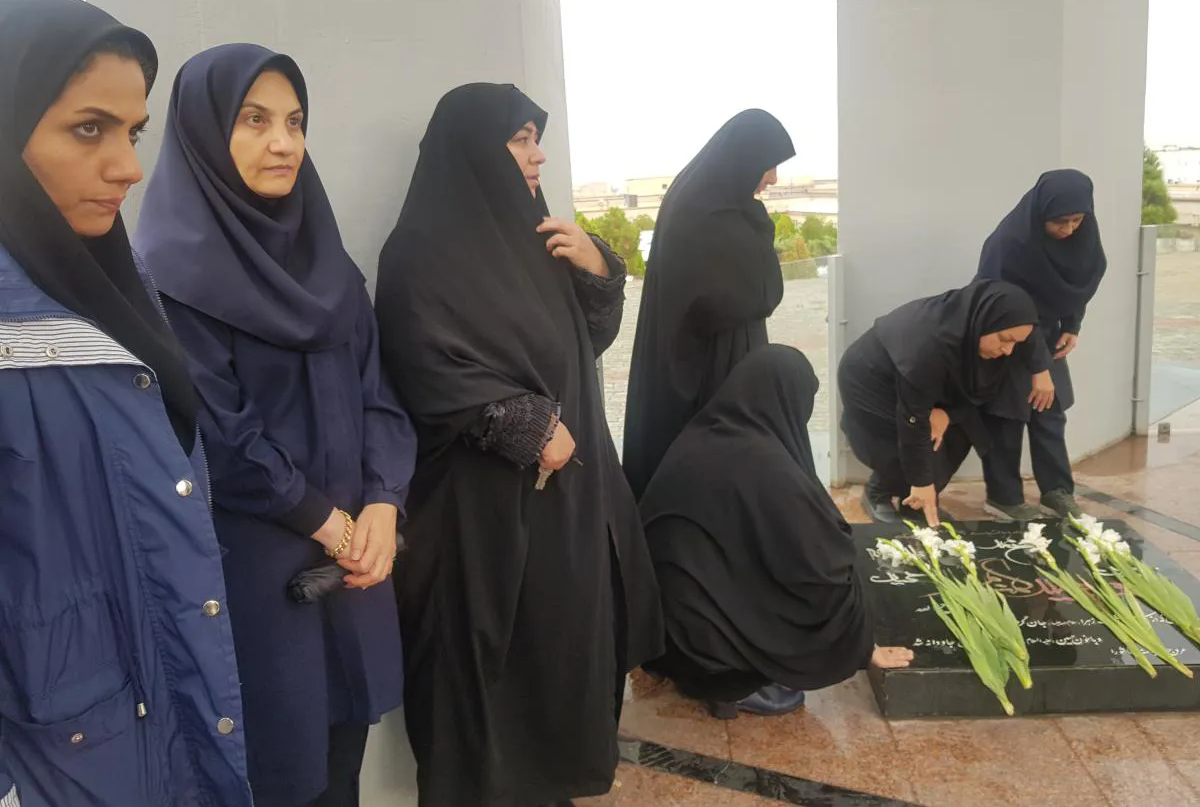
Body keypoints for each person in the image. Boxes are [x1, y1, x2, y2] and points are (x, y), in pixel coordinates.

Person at [134, 44, 415, 807]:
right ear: (204, 131)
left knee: (343, 758)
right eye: (254, 120)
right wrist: (330, 523)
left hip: (354, 562)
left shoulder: (330, 267)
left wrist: (384, 502)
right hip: (257, 572)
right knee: (280, 769)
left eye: (295, 122)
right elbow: (219, 432)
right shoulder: (172, 274)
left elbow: (381, 395)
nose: (284, 142)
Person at [374, 83, 663, 807]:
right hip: (483, 520)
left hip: (565, 507)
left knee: (557, 668)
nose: (537, 156)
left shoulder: (536, 239)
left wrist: (597, 271)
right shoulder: (420, 252)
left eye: (537, 138)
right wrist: (526, 424)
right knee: (489, 683)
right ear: (474, 149)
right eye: (520, 139)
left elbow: (580, 347)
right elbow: (422, 363)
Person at [0, 0, 251, 806]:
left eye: (132, 132)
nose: (127, 167)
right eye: (88, 129)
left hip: (153, 724)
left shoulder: (112, 282)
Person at [641, 345, 914, 719]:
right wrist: (861, 646)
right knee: (829, 567)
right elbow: (820, 563)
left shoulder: (707, 432)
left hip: (666, 631)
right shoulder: (762, 463)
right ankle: (728, 680)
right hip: (705, 648)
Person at [622, 109, 795, 498]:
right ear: (745, 158)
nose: (773, 178)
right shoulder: (709, 216)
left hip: (699, 357)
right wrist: (758, 225)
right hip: (708, 368)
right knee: (710, 475)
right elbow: (762, 291)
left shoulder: (701, 201)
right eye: (769, 164)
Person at [838, 280, 1039, 525]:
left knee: (956, 434)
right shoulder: (928, 344)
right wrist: (922, 483)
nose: (1008, 350)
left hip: (922, 383)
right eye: (1004, 339)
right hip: (873, 380)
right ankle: (879, 490)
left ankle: (914, 503)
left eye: (1016, 343)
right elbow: (912, 419)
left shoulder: (985, 334)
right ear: (984, 321)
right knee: (901, 445)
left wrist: (948, 414)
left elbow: (980, 394)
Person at [975, 170, 1106, 520]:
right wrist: (1040, 367)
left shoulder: (1081, 235)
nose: (1069, 230)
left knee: (1050, 412)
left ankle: (1056, 492)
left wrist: (1073, 325)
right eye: (1059, 222)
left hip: (1045, 333)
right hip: (1003, 333)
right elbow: (1008, 309)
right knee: (1006, 415)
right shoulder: (1008, 245)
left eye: (1077, 220)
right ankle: (1003, 498)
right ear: (1040, 213)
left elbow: (1078, 281)